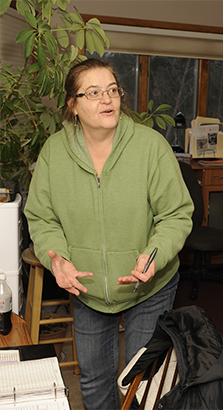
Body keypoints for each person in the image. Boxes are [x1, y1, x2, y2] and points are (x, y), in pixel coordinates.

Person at [24, 58, 194, 410]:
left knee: (141, 381)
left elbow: (176, 214)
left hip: (148, 286)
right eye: (94, 92)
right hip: (86, 288)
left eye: (113, 90)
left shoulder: (150, 147)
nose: (107, 99)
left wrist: (156, 254)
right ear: (73, 105)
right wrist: (57, 257)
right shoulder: (54, 152)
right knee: (94, 378)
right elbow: (42, 218)